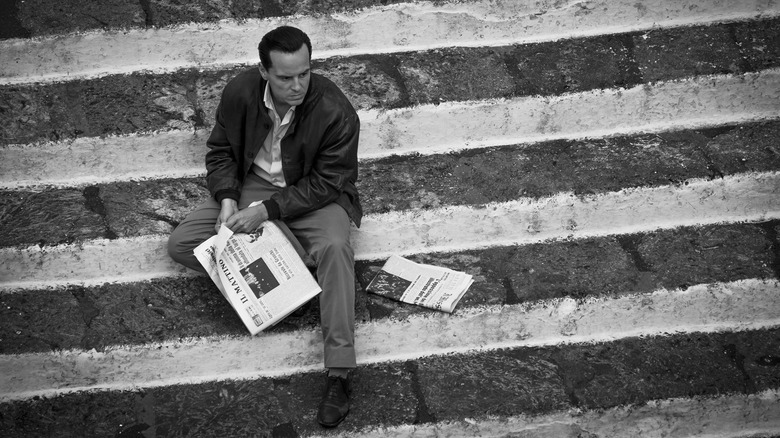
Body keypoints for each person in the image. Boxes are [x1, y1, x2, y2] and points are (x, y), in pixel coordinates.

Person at [167, 25, 361, 428]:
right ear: (264, 71)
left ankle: (340, 372)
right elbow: (220, 151)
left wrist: (268, 211)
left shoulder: (335, 110)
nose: (298, 86)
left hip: (311, 193)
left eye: (305, 74)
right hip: (251, 187)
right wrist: (226, 197)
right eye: (286, 77)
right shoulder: (240, 92)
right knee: (183, 245)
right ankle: (286, 292)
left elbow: (329, 181)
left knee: (336, 251)